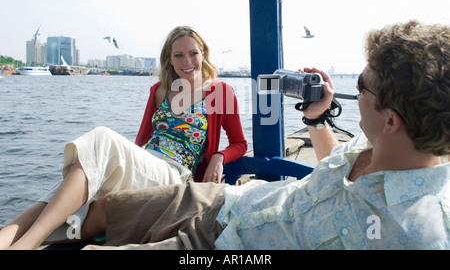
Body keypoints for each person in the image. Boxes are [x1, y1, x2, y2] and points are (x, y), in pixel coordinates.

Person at [76, 20, 447, 250]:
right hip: (228, 200)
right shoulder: (374, 143)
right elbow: (334, 161)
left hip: (231, 243)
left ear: (392, 121)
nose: (353, 92)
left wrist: (220, 154)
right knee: (107, 210)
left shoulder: (414, 233)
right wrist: (317, 121)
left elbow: (237, 142)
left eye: (362, 85)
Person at [0, 26, 247, 250]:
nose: (187, 61)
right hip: (145, 163)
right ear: (169, 60)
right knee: (79, 175)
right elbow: (141, 141)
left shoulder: (220, 92)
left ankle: (25, 245)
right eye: (178, 55)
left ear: (203, 53)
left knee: (101, 139)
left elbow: (240, 143)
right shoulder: (159, 90)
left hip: (174, 174)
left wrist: (218, 156)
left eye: (193, 53)